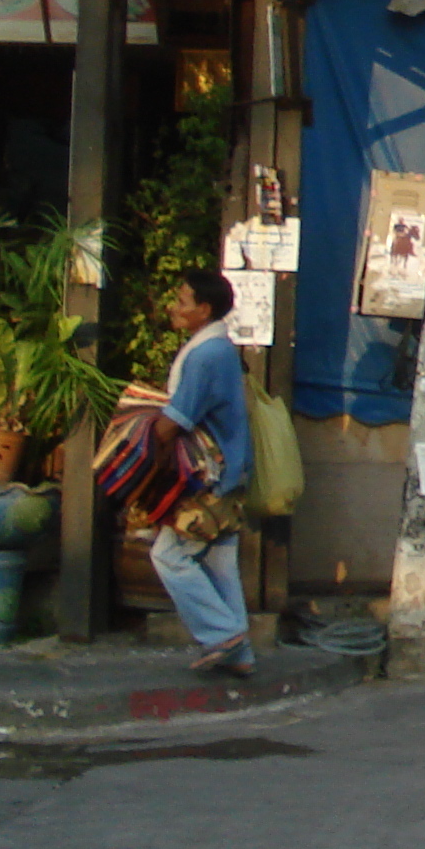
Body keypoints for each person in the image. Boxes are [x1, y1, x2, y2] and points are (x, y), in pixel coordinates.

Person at [152, 271, 256, 676]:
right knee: (218, 562)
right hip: (230, 472)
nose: (175, 308)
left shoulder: (207, 354)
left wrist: (136, 441)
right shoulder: (218, 349)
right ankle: (240, 652)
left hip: (209, 477)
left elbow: (176, 417)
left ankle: (221, 634)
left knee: (169, 555)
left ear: (204, 309)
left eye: (183, 300)